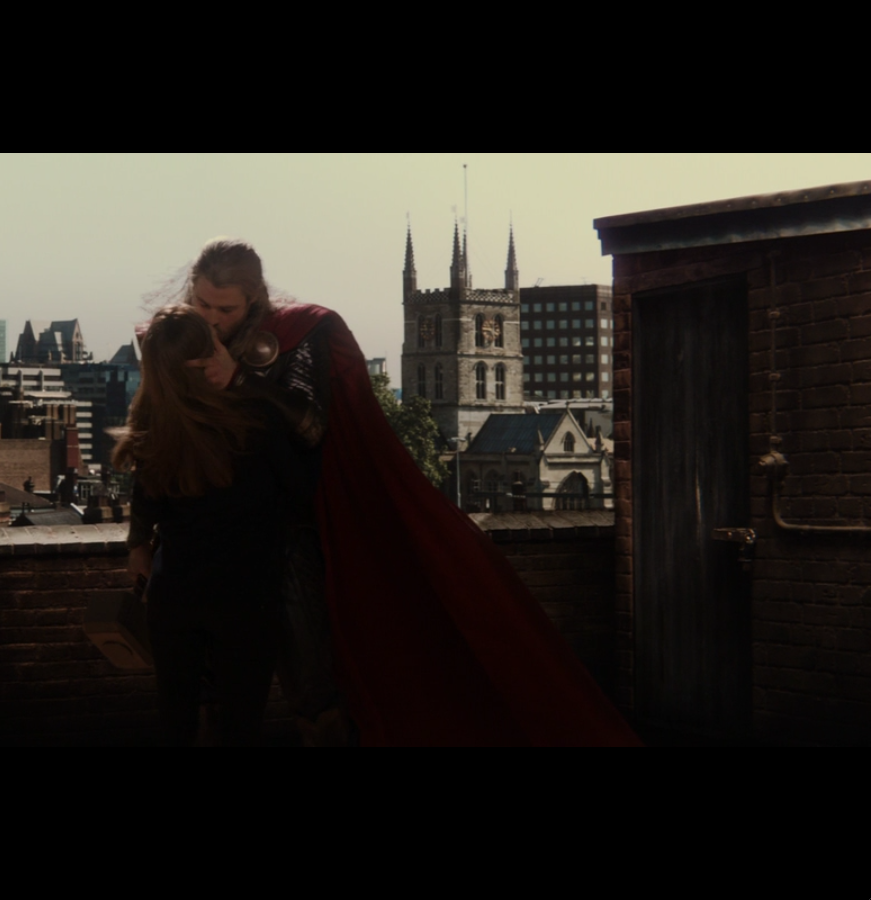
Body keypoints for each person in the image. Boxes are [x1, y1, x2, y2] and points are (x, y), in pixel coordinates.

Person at [133, 237, 640, 746]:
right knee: (197, 695)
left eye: (225, 309)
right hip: (198, 549)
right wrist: (139, 537)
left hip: (282, 535)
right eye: (203, 304)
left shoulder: (294, 333)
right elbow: (149, 438)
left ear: (254, 299)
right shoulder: (180, 335)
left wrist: (241, 378)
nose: (212, 319)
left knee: (310, 684)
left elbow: (310, 428)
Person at [115, 306, 311, 746]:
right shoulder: (255, 419)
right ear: (209, 353)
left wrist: (138, 545)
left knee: (177, 717)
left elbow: (147, 501)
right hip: (247, 595)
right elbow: (302, 491)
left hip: (176, 593)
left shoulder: (154, 427)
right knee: (241, 721)